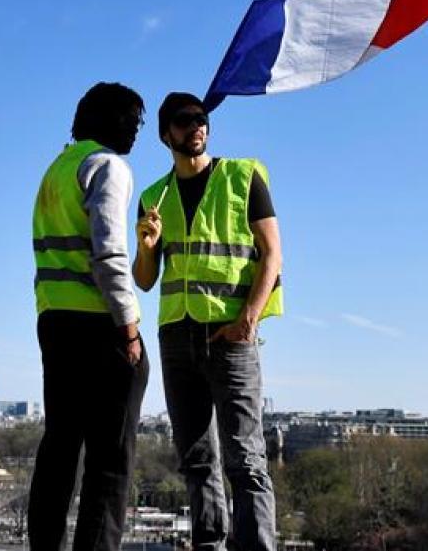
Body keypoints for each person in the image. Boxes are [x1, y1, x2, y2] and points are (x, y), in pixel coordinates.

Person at [133, 92, 282, 551]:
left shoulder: (243, 177)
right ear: (166, 134)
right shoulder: (152, 198)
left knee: (245, 458)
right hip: (177, 335)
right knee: (198, 460)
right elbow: (144, 279)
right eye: (185, 120)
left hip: (230, 335)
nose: (197, 126)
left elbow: (272, 253)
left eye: (202, 119)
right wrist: (146, 243)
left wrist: (247, 322)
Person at [28, 81, 150, 551]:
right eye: (131, 122)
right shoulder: (108, 166)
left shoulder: (56, 169)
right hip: (100, 326)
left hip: (55, 320)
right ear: (110, 121)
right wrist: (130, 327)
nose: (135, 133)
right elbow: (108, 254)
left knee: (59, 449)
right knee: (110, 460)